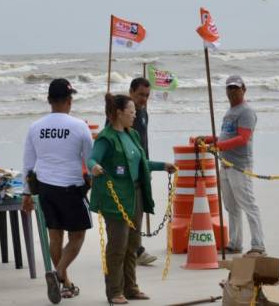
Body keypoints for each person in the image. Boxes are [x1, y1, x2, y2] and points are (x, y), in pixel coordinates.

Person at [88, 93, 177, 304]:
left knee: (133, 245)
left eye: (135, 112)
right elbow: (92, 158)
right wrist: (95, 167)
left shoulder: (133, 134)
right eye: (131, 111)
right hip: (115, 197)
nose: (134, 115)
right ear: (119, 113)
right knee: (117, 246)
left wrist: (163, 166)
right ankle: (114, 291)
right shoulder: (106, 137)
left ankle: (131, 288)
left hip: (135, 195)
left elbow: (142, 162)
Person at [22, 78, 93, 303]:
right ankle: (59, 272)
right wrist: (92, 184)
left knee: (55, 235)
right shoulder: (79, 126)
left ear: (49, 101)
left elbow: (28, 163)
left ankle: (66, 284)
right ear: (69, 100)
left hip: (46, 188)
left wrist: (26, 193)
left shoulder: (35, 127)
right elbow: (91, 162)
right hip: (71, 188)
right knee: (78, 235)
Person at [199, 75, 265, 255]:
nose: (233, 92)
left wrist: (218, 145)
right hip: (225, 165)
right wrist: (209, 139)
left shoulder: (246, 112)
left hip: (239, 166)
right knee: (231, 206)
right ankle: (235, 242)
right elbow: (226, 136)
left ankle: (259, 245)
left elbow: (243, 138)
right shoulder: (230, 112)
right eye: (230, 88)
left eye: (236, 88)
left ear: (244, 89)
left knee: (248, 204)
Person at [129, 77, 157, 266]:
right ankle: (136, 250)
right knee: (131, 212)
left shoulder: (144, 112)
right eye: (140, 95)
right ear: (131, 92)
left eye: (146, 95)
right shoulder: (124, 113)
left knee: (139, 211)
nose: (143, 99)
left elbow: (144, 142)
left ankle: (135, 248)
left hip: (144, 167)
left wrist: (149, 167)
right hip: (129, 171)